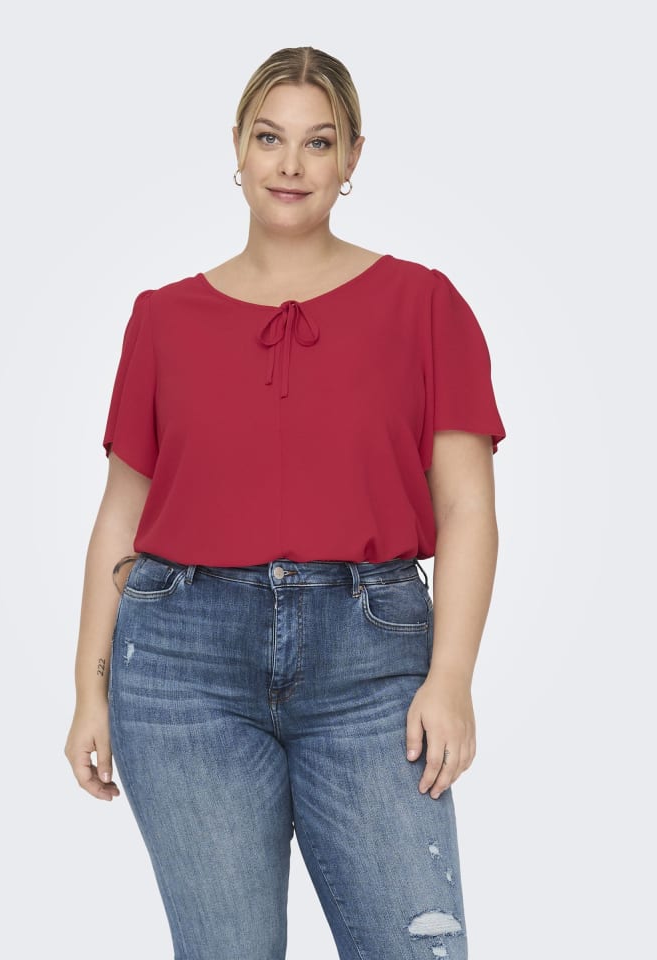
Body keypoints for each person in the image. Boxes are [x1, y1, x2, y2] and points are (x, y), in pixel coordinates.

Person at [64, 45, 506, 960]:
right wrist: (87, 692)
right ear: (237, 146)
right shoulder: (162, 319)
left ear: (352, 158)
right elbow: (120, 517)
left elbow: (467, 508)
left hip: (372, 662)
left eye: (319, 141)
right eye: (270, 138)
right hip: (180, 666)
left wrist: (452, 677)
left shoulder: (424, 305)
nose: (291, 164)